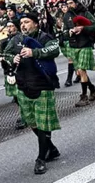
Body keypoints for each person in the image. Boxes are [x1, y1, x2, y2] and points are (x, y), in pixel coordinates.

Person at [3, 12, 60, 174]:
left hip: (43, 84)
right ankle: (51, 148)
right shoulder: (16, 40)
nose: (23, 25)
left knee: (43, 122)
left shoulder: (45, 37)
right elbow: (5, 54)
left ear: (35, 23)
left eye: (27, 22)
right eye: (21, 22)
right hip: (23, 85)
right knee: (31, 121)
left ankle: (41, 158)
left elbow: (54, 50)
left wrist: (34, 52)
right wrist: (11, 59)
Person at [61, 0, 95, 106]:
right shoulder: (66, 15)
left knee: (82, 70)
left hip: (85, 44)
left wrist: (83, 28)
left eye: (71, 3)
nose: (69, 6)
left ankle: (84, 97)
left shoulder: (85, 13)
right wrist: (69, 32)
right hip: (73, 45)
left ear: (76, 3)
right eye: (67, 4)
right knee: (80, 71)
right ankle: (92, 88)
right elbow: (64, 31)